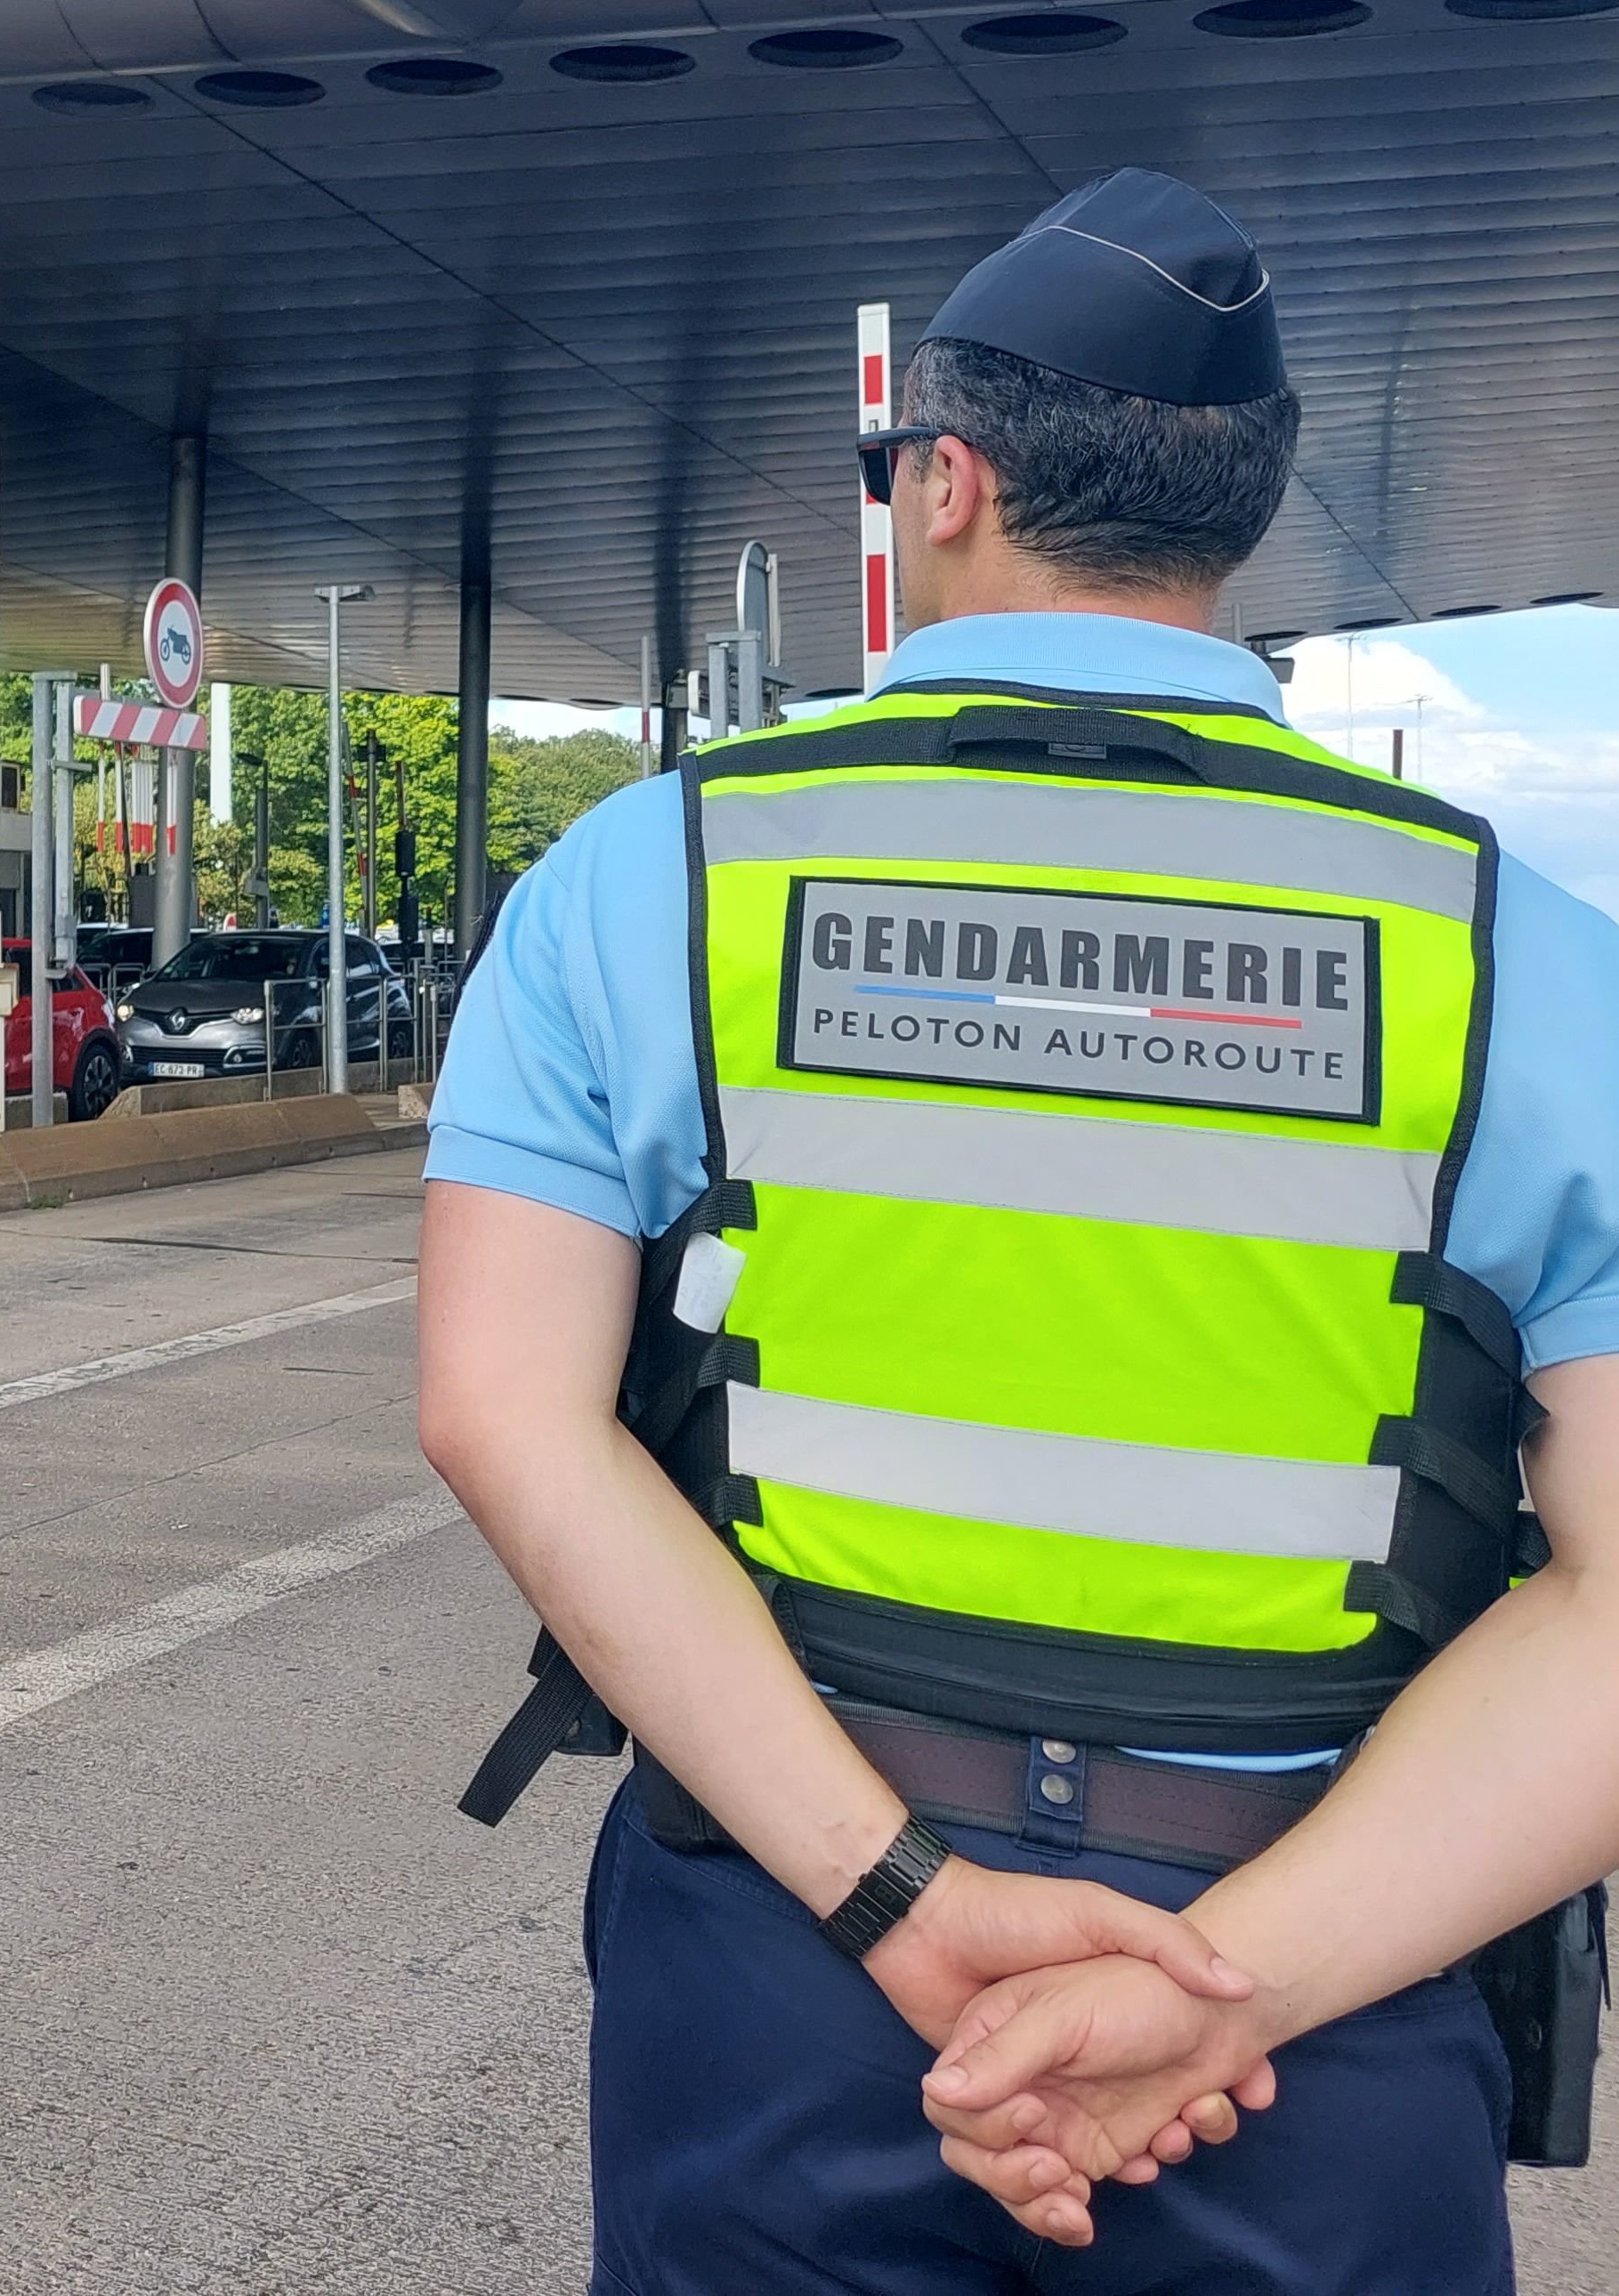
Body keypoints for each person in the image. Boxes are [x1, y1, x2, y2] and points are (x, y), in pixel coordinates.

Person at [419, 167, 1619, 2289]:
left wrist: (899, 1903)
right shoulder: (1517, 953)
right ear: (1229, 516)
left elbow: (503, 1420)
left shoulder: (644, 880)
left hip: (787, 1970)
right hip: (1311, 2003)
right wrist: (1221, 1985)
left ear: (944, 480)